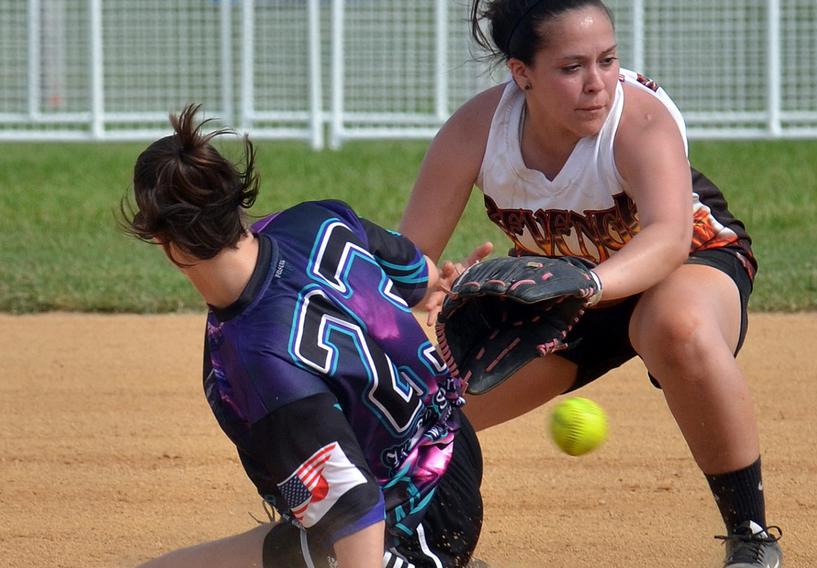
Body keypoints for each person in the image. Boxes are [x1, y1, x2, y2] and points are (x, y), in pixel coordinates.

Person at [399, 1, 783, 567]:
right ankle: (426, 549)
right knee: (432, 405)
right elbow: (408, 257)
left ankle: (750, 538)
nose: (597, 84)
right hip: (568, 292)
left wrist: (587, 284)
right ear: (521, 73)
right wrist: (427, 282)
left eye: (607, 60)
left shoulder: (639, 120)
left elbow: (668, 238)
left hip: (687, 264)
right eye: (571, 67)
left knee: (674, 328)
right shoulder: (477, 131)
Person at [122, 104, 484, 568]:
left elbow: (356, 512)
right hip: (456, 447)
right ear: (235, 199)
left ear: (160, 239)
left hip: (414, 531)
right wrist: (443, 286)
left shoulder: (250, 363)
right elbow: (424, 278)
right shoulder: (319, 220)